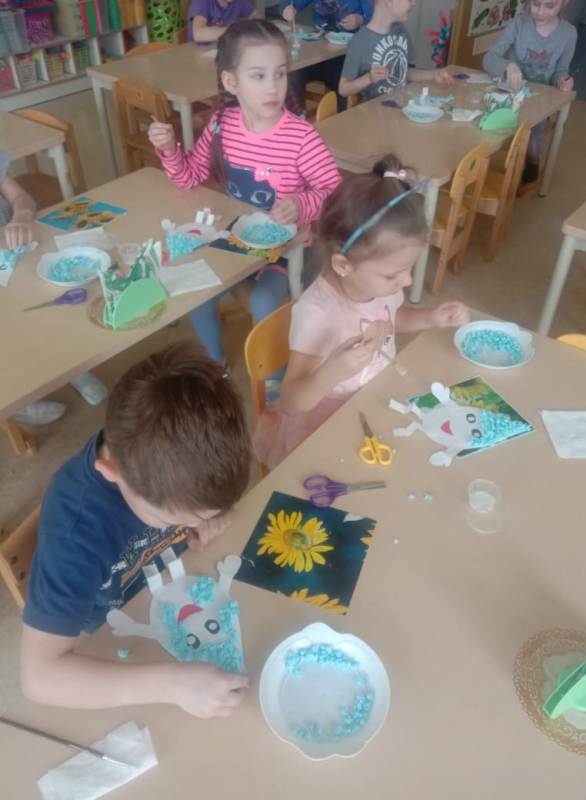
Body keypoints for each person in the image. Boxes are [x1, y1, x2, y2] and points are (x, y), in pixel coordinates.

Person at [21, 342, 251, 718]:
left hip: (175, 586)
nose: (191, 525)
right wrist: (172, 685)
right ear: (112, 473)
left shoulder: (164, 463)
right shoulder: (75, 535)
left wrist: (207, 515)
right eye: (174, 521)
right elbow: (39, 678)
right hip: (115, 632)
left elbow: (196, 502)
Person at [253, 155, 470, 470]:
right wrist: (333, 371)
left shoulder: (382, 289)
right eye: (393, 274)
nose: (406, 282)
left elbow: (391, 319)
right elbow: (291, 400)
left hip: (372, 399)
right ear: (343, 265)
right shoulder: (317, 314)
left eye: (408, 270)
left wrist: (430, 318)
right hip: (324, 420)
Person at [149, 19, 340, 368]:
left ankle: (273, 379)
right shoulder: (221, 125)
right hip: (236, 241)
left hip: (288, 249)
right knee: (195, 285)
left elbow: (333, 191)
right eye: (259, 76)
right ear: (231, 82)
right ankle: (215, 366)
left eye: (279, 74)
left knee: (263, 302)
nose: (273, 87)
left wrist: (301, 204)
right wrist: (169, 149)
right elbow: (188, 178)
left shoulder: (301, 137)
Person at [0, 148, 106, 426]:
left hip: (13, 256)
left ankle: (72, 367)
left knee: (46, 307)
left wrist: (21, 216)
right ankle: (21, 403)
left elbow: (21, 198)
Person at [483, 0, 577, 182]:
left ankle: (532, 161)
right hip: (510, 95)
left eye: (550, 6)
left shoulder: (568, 33)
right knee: (490, 126)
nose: (540, 12)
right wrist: (507, 65)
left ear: (564, 3)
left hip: (540, 101)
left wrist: (564, 80)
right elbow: (489, 58)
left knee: (532, 137)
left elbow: (561, 70)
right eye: (535, 4)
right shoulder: (518, 24)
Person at [339, 0, 454, 102]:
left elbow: (404, 72)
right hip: (375, 114)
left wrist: (433, 75)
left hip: (400, 106)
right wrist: (369, 78)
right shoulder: (360, 41)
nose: (414, 3)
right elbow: (343, 89)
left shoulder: (400, 30)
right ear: (389, 1)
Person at [188, 0, 257, 45]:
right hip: (196, 52)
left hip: (223, 50)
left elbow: (256, 17)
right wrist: (235, 30)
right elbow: (198, 34)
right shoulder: (201, 1)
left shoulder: (240, 1)